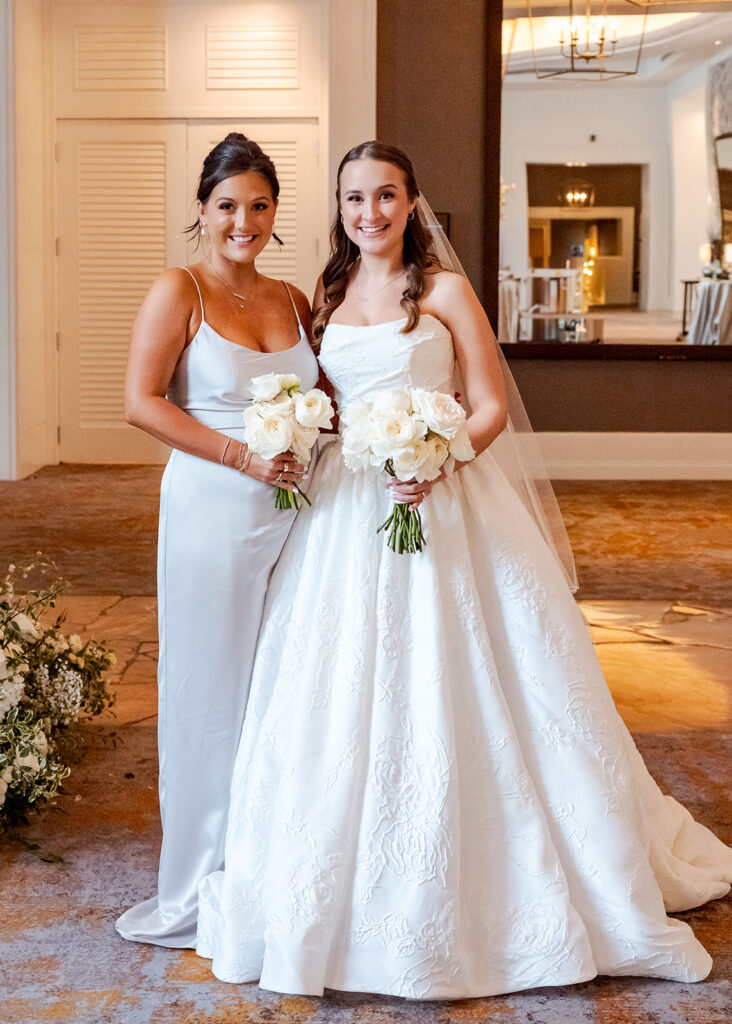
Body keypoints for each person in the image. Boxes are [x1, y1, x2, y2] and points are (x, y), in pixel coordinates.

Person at [195, 141, 732, 998]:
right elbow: (327, 401)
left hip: (438, 501)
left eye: (386, 196)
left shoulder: (441, 291)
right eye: (354, 198)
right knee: (337, 690)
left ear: (413, 203)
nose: (369, 213)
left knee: (472, 677)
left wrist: (439, 457)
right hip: (346, 515)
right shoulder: (326, 297)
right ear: (338, 208)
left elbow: (488, 406)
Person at [116, 133, 318, 948]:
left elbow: (329, 393)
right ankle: (199, 880)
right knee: (210, 696)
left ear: (275, 212)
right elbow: (141, 402)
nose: (244, 221)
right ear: (202, 210)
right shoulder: (181, 290)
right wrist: (242, 455)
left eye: (260, 205)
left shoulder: (295, 299)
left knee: (282, 689)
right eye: (228, 205)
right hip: (213, 509)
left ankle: (271, 869)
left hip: (298, 514)